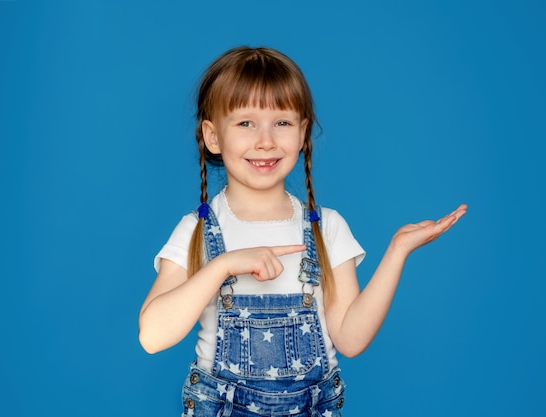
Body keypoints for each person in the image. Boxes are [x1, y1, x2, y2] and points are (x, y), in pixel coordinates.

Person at [139, 46, 467, 417]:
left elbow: (351, 338)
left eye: (282, 122)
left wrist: (398, 250)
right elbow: (152, 336)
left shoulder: (327, 229)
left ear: (303, 132)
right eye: (246, 123)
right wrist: (223, 266)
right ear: (213, 136)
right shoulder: (196, 231)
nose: (266, 140)